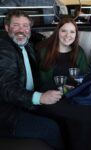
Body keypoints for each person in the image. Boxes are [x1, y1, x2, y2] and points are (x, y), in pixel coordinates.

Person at [0, 9, 64, 150]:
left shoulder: (25, 44)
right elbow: (7, 89)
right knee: (51, 128)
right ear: (7, 28)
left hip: (25, 103)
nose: (21, 30)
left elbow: (34, 36)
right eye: (16, 25)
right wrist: (40, 97)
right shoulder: (4, 49)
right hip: (8, 114)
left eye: (25, 25)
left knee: (62, 117)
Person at [36, 17, 89, 91]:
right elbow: (38, 80)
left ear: (76, 34)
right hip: (48, 95)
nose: (68, 35)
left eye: (72, 32)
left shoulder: (79, 52)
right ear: (57, 32)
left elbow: (85, 77)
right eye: (64, 31)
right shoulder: (44, 51)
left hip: (73, 95)